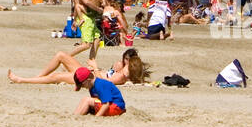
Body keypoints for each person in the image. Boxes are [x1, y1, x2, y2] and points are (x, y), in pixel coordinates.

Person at [9, 48, 150, 86]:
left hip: (89, 78)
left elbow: (103, 82)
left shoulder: (121, 76)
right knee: (61, 55)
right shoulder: (122, 72)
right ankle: (38, 77)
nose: (125, 63)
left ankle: (22, 80)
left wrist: (95, 68)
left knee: (56, 77)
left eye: (128, 63)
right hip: (88, 73)